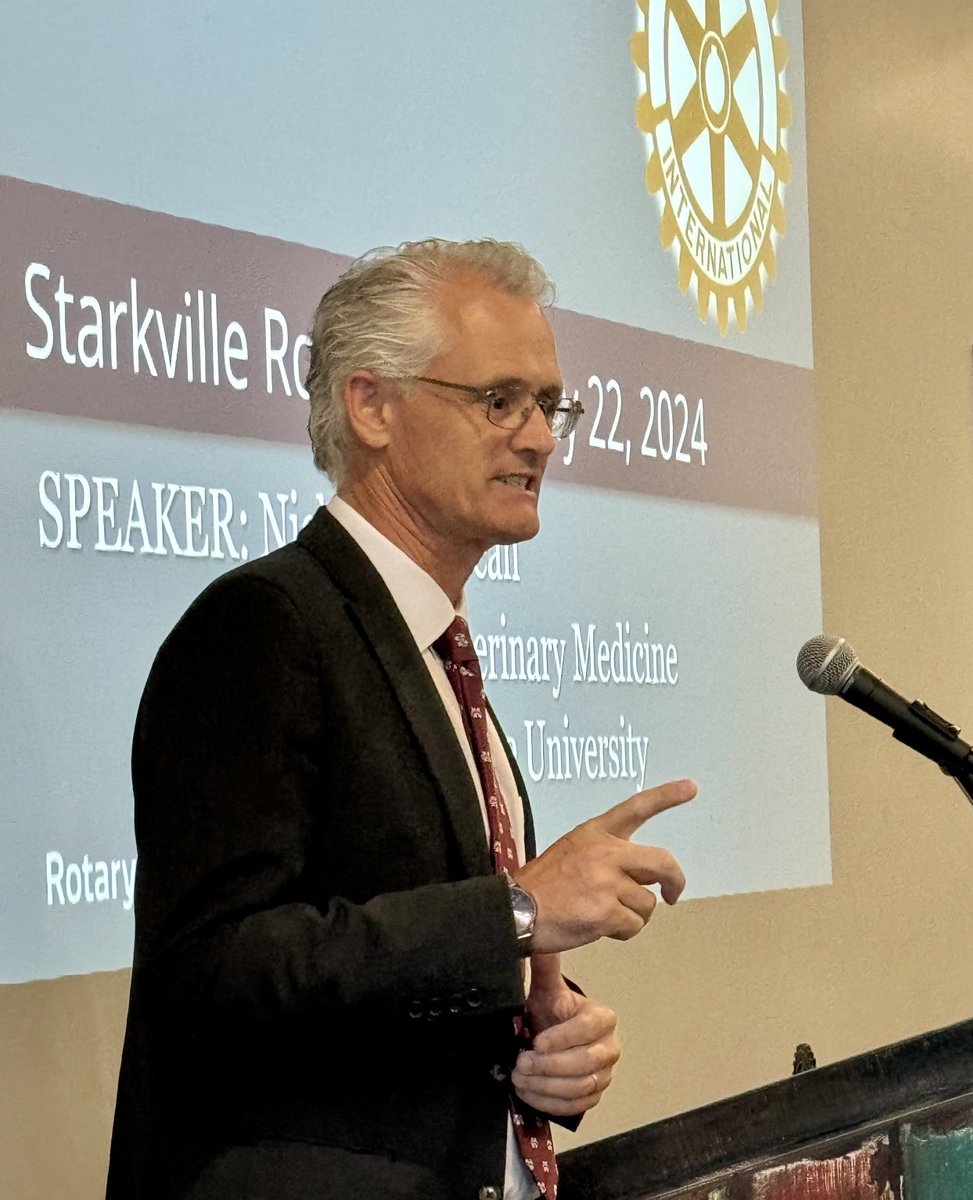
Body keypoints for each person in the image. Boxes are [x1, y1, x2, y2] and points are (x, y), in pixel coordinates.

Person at [105, 238, 696, 1200]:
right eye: (500, 400)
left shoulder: (432, 650)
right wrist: (516, 912)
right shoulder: (264, 626)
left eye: (551, 406)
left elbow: (411, 964)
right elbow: (210, 973)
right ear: (371, 406)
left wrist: (544, 1038)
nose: (541, 437)